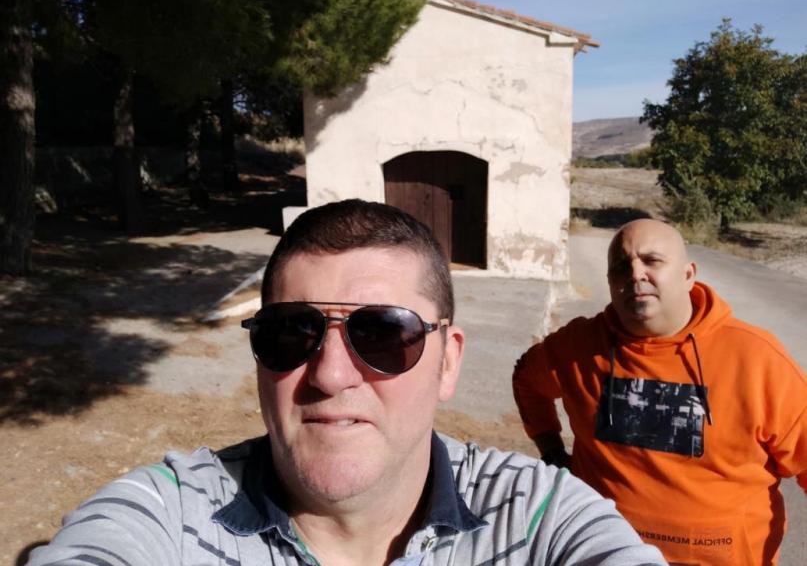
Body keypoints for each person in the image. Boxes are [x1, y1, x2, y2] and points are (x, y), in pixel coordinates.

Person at [29, 200, 664, 566]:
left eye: (383, 334)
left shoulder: (543, 519)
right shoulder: (168, 515)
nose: (331, 375)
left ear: (447, 363)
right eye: (290, 332)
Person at [513, 218, 807, 565]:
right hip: (602, 556)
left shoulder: (757, 360)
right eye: (621, 267)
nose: (635, 274)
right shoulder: (578, 348)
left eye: (651, 261)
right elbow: (527, 381)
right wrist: (551, 451)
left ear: (688, 275)